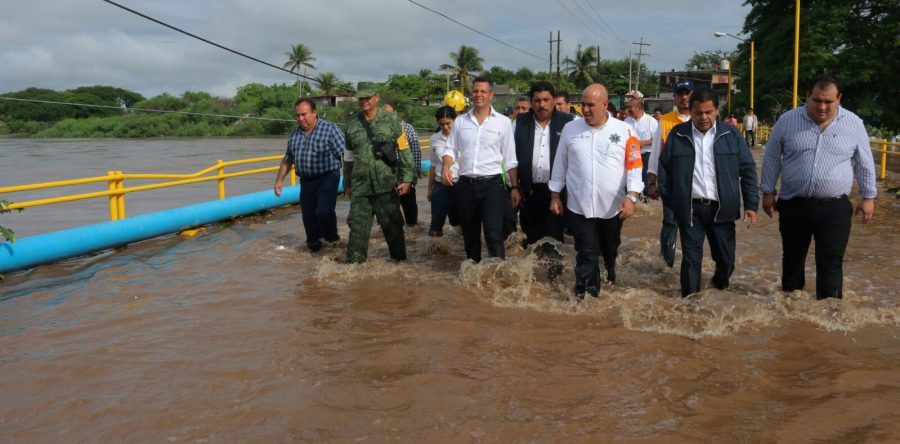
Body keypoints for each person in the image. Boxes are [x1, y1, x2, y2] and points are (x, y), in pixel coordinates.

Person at [759, 74, 876, 300]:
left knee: (831, 263)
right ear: (807, 97)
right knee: (792, 260)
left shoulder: (853, 124)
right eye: (817, 100)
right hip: (794, 204)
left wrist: (868, 196)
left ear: (839, 99)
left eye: (828, 101)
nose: (822, 106)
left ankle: (829, 314)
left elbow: (865, 161)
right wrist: (768, 191)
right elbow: (773, 156)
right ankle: (791, 311)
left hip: (834, 208)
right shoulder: (787, 121)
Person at [658, 87, 759, 297]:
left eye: (708, 112)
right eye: (698, 113)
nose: (703, 117)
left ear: (716, 111)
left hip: (722, 210)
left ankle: (718, 287)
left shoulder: (731, 135)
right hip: (691, 210)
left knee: (726, 260)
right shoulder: (678, 135)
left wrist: (751, 205)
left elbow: (748, 170)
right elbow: (664, 171)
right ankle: (690, 305)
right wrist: (672, 205)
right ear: (691, 111)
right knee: (691, 260)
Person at [550, 84, 643, 298]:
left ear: (605, 104)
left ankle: (609, 272)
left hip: (612, 208)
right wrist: (555, 195)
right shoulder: (571, 130)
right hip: (579, 205)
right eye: (583, 105)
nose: (586, 110)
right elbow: (560, 164)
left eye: (591, 105)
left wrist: (632, 197)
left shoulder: (625, 130)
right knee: (586, 253)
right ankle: (586, 297)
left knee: (609, 251)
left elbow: (634, 165)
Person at [442, 76, 520, 262]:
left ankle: (497, 274)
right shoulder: (460, 121)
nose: (479, 95)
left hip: (492, 186)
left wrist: (515, 187)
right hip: (465, 186)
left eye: (483, 91)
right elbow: (451, 148)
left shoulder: (502, 122)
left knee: (494, 234)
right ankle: (473, 276)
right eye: (476, 91)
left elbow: (510, 158)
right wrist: (446, 166)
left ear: (491, 95)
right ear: (471, 94)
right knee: (470, 235)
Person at [343, 84, 415, 263]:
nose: (364, 101)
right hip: (361, 188)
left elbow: (404, 150)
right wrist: (347, 183)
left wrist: (407, 179)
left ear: (377, 97)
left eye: (368, 97)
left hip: (386, 186)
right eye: (361, 98)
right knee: (357, 232)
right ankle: (354, 271)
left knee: (394, 229)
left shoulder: (392, 121)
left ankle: (400, 267)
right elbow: (349, 157)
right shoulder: (351, 124)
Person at [273, 99, 345, 252]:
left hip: (328, 177)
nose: (301, 119)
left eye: (304, 114)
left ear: (314, 113)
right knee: (309, 218)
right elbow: (288, 159)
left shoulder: (330, 130)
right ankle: (314, 248)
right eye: (298, 115)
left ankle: (332, 240)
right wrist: (279, 181)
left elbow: (344, 155)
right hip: (306, 181)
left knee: (324, 212)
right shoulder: (295, 134)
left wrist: (350, 180)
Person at [514, 81, 574, 246]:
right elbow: (509, 156)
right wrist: (514, 187)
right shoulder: (519, 123)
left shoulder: (569, 123)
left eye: (546, 100)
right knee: (533, 242)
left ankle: (555, 271)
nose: (542, 105)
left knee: (554, 241)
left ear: (554, 100)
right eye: (537, 101)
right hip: (528, 193)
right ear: (531, 102)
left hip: (557, 193)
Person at [647, 79, 694, 268]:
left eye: (687, 94)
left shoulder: (701, 119)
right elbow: (656, 152)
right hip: (671, 184)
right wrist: (652, 181)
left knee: (692, 225)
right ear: (674, 97)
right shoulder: (665, 121)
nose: (684, 98)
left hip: (695, 183)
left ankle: (691, 263)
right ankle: (667, 265)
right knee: (670, 222)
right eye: (680, 94)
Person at [382, 103, 421, 226]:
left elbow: (415, 150)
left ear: (395, 113)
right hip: (387, 177)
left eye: (389, 113)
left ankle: (412, 227)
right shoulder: (379, 131)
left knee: (409, 207)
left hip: (405, 175)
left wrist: (415, 172)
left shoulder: (407, 128)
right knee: (388, 211)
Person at [427, 106, 459, 237]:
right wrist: (430, 189)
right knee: (435, 226)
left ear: (455, 121)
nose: (445, 127)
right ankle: (435, 254)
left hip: (461, 184)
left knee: (461, 223)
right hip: (441, 185)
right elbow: (433, 165)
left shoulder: (463, 135)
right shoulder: (435, 139)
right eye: (442, 124)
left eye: (448, 123)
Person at [624, 97, 659, 197]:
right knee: (632, 175)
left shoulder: (651, 121)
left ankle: (646, 197)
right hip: (632, 155)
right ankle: (632, 195)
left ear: (639, 108)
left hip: (646, 154)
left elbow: (655, 140)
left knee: (645, 176)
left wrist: (641, 143)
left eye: (630, 107)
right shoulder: (627, 121)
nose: (628, 109)